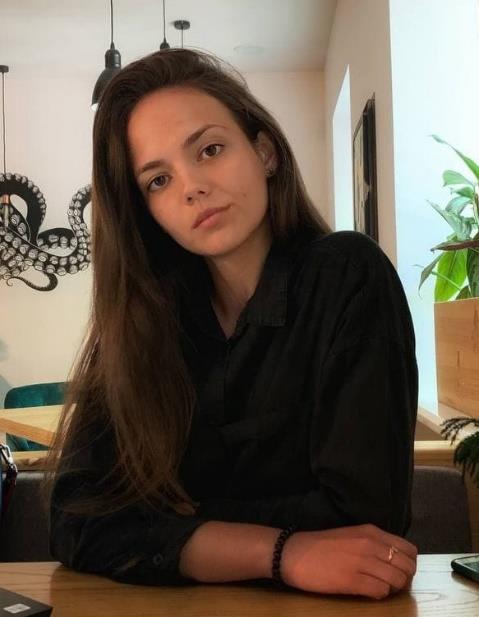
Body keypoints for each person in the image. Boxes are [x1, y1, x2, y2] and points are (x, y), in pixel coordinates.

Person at [47, 47, 419, 600]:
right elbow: (76, 518)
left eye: (210, 149)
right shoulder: (144, 323)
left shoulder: (347, 276)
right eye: (158, 180)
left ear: (264, 151)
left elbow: (364, 519)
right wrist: (283, 552)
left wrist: (176, 521)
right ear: (146, 212)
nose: (191, 187)